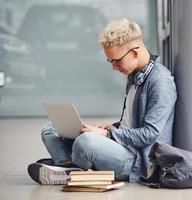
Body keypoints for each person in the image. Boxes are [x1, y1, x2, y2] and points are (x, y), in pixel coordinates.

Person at [27, 18, 177, 184]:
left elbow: (148, 134)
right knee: (51, 129)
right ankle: (68, 166)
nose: (114, 67)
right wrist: (111, 127)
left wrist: (107, 135)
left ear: (134, 52)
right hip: (119, 146)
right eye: (110, 61)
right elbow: (129, 124)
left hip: (136, 161)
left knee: (85, 141)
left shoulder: (161, 82)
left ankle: (64, 167)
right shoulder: (134, 76)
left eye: (116, 61)